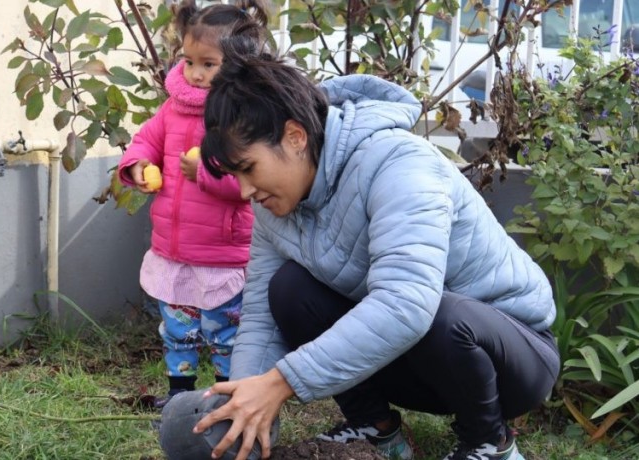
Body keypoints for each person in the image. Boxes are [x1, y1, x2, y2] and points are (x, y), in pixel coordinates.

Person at [176, 38, 561, 460]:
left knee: (435, 310)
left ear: (295, 137)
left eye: (248, 169)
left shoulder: (399, 164)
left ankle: (489, 443)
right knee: (288, 289)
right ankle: (375, 430)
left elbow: (406, 305)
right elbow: (261, 318)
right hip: (416, 359)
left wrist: (279, 383)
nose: (246, 191)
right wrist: (241, 406)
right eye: (235, 176)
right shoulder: (276, 206)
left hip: (510, 358)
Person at [117, 0, 269, 409]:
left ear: (238, 65)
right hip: (174, 249)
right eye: (189, 62)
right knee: (178, 330)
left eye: (209, 64)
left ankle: (224, 398)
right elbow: (146, 139)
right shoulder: (173, 107)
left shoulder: (240, 116)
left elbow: (248, 180)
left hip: (222, 254)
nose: (196, 73)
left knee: (224, 334)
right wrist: (137, 166)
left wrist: (203, 173)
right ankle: (178, 398)